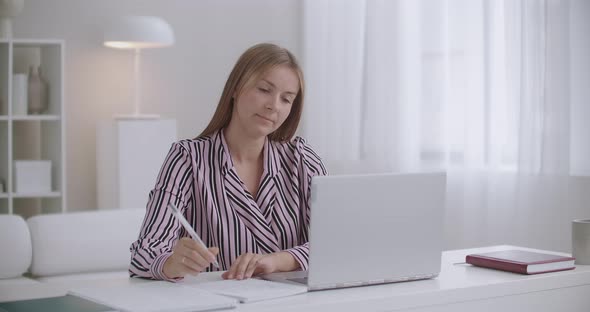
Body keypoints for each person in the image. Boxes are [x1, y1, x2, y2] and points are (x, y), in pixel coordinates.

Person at [129, 43, 327, 281]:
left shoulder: (302, 159)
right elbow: (143, 255)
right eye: (264, 89)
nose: (273, 105)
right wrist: (171, 263)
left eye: (286, 99)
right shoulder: (187, 158)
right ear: (235, 88)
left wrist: (276, 260)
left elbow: (337, 241)